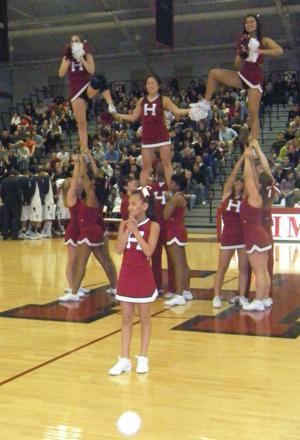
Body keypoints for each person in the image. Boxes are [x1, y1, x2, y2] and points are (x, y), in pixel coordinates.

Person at [195, 14, 283, 140]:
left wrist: (261, 51)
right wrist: (242, 54)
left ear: (257, 24)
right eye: (247, 22)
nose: (249, 24)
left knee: (253, 112)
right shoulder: (243, 40)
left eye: (252, 21)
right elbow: (236, 64)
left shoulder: (264, 40)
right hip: (243, 75)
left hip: (255, 80)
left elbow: (279, 51)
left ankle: (254, 141)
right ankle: (205, 104)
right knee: (213, 73)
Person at [109, 189, 160, 376]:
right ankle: (124, 359)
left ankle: (143, 357)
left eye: (133, 204)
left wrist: (136, 231)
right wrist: (126, 229)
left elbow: (148, 251)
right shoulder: (124, 224)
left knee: (145, 319)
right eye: (129, 203)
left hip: (143, 277)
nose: (129, 207)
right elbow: (118, 249)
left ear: (144, 206)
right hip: (126, 276)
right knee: (126, 318)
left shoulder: (153, 226)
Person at [113, 75, 193, 188]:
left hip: (162, 136)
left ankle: (171, 189)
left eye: (152, 83)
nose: (150, 85)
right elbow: (133, 117)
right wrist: (117, 114)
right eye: (148, 83)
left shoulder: (164, 99)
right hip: (147, 138)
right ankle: (142, 192)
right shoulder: (141, 101)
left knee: (167, 164)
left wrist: (192, 110)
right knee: (146, 167)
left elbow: (177, 111)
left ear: (158, 85)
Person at [58, 154, 117, 301]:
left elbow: (83, 176)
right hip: (94, 230)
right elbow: (85, 178)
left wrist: (79, 162)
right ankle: (115, 287)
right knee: (104, 260)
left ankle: (74, 292)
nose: (85, 183)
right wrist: (87, 158)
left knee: (79, 263)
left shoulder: (90, 195)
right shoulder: (95, 194)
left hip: (88, 232)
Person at [58, 35, 116, 150]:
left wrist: (82, 58)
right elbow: (61, 73)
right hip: (76, 92)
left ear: (81, 42)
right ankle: (84, 149)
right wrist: (69, 58)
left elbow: (91, 70)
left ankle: (110, 104)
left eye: (77, 41)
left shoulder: (87, 54)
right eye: (72, 41)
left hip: (86, 86)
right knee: (82, 124)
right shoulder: (66, 57)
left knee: (100, 79)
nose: (74, 43)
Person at [213, 155, 249, 308]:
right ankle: (216, 296)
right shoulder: (226, 195)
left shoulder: (246, 197)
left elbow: (249, 179)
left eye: (241, 181)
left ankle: (241, 296)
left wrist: (249, 161)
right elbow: (232, 175)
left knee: (243, 268)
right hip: (228, 236)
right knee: (222, 267)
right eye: (236, 181)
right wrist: (241, 159)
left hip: (242, 236)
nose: (238, 183)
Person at [240, 147, 273, 311]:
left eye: (257, 179)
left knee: (258, 271)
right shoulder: (262, 196)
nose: (255, 179)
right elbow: (251, 176)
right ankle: (265, 298)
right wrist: (252, 161)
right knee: (264, 270)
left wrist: (247, 159)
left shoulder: (254, 195)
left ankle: (259, 300)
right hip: (261, 235)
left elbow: (247, 178)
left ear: (260, 184)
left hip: (254, 236)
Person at [163, 174, 192, 307]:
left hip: (174, 231)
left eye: (173, 182)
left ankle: (179, 294)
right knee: (184, 263)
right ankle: (186, 291)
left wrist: (167, 200)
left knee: (178, 264)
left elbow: (165, 215)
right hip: (180, 229)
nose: (170, 184)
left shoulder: (175, 198)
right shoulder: (182, 198)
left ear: (178, 185)